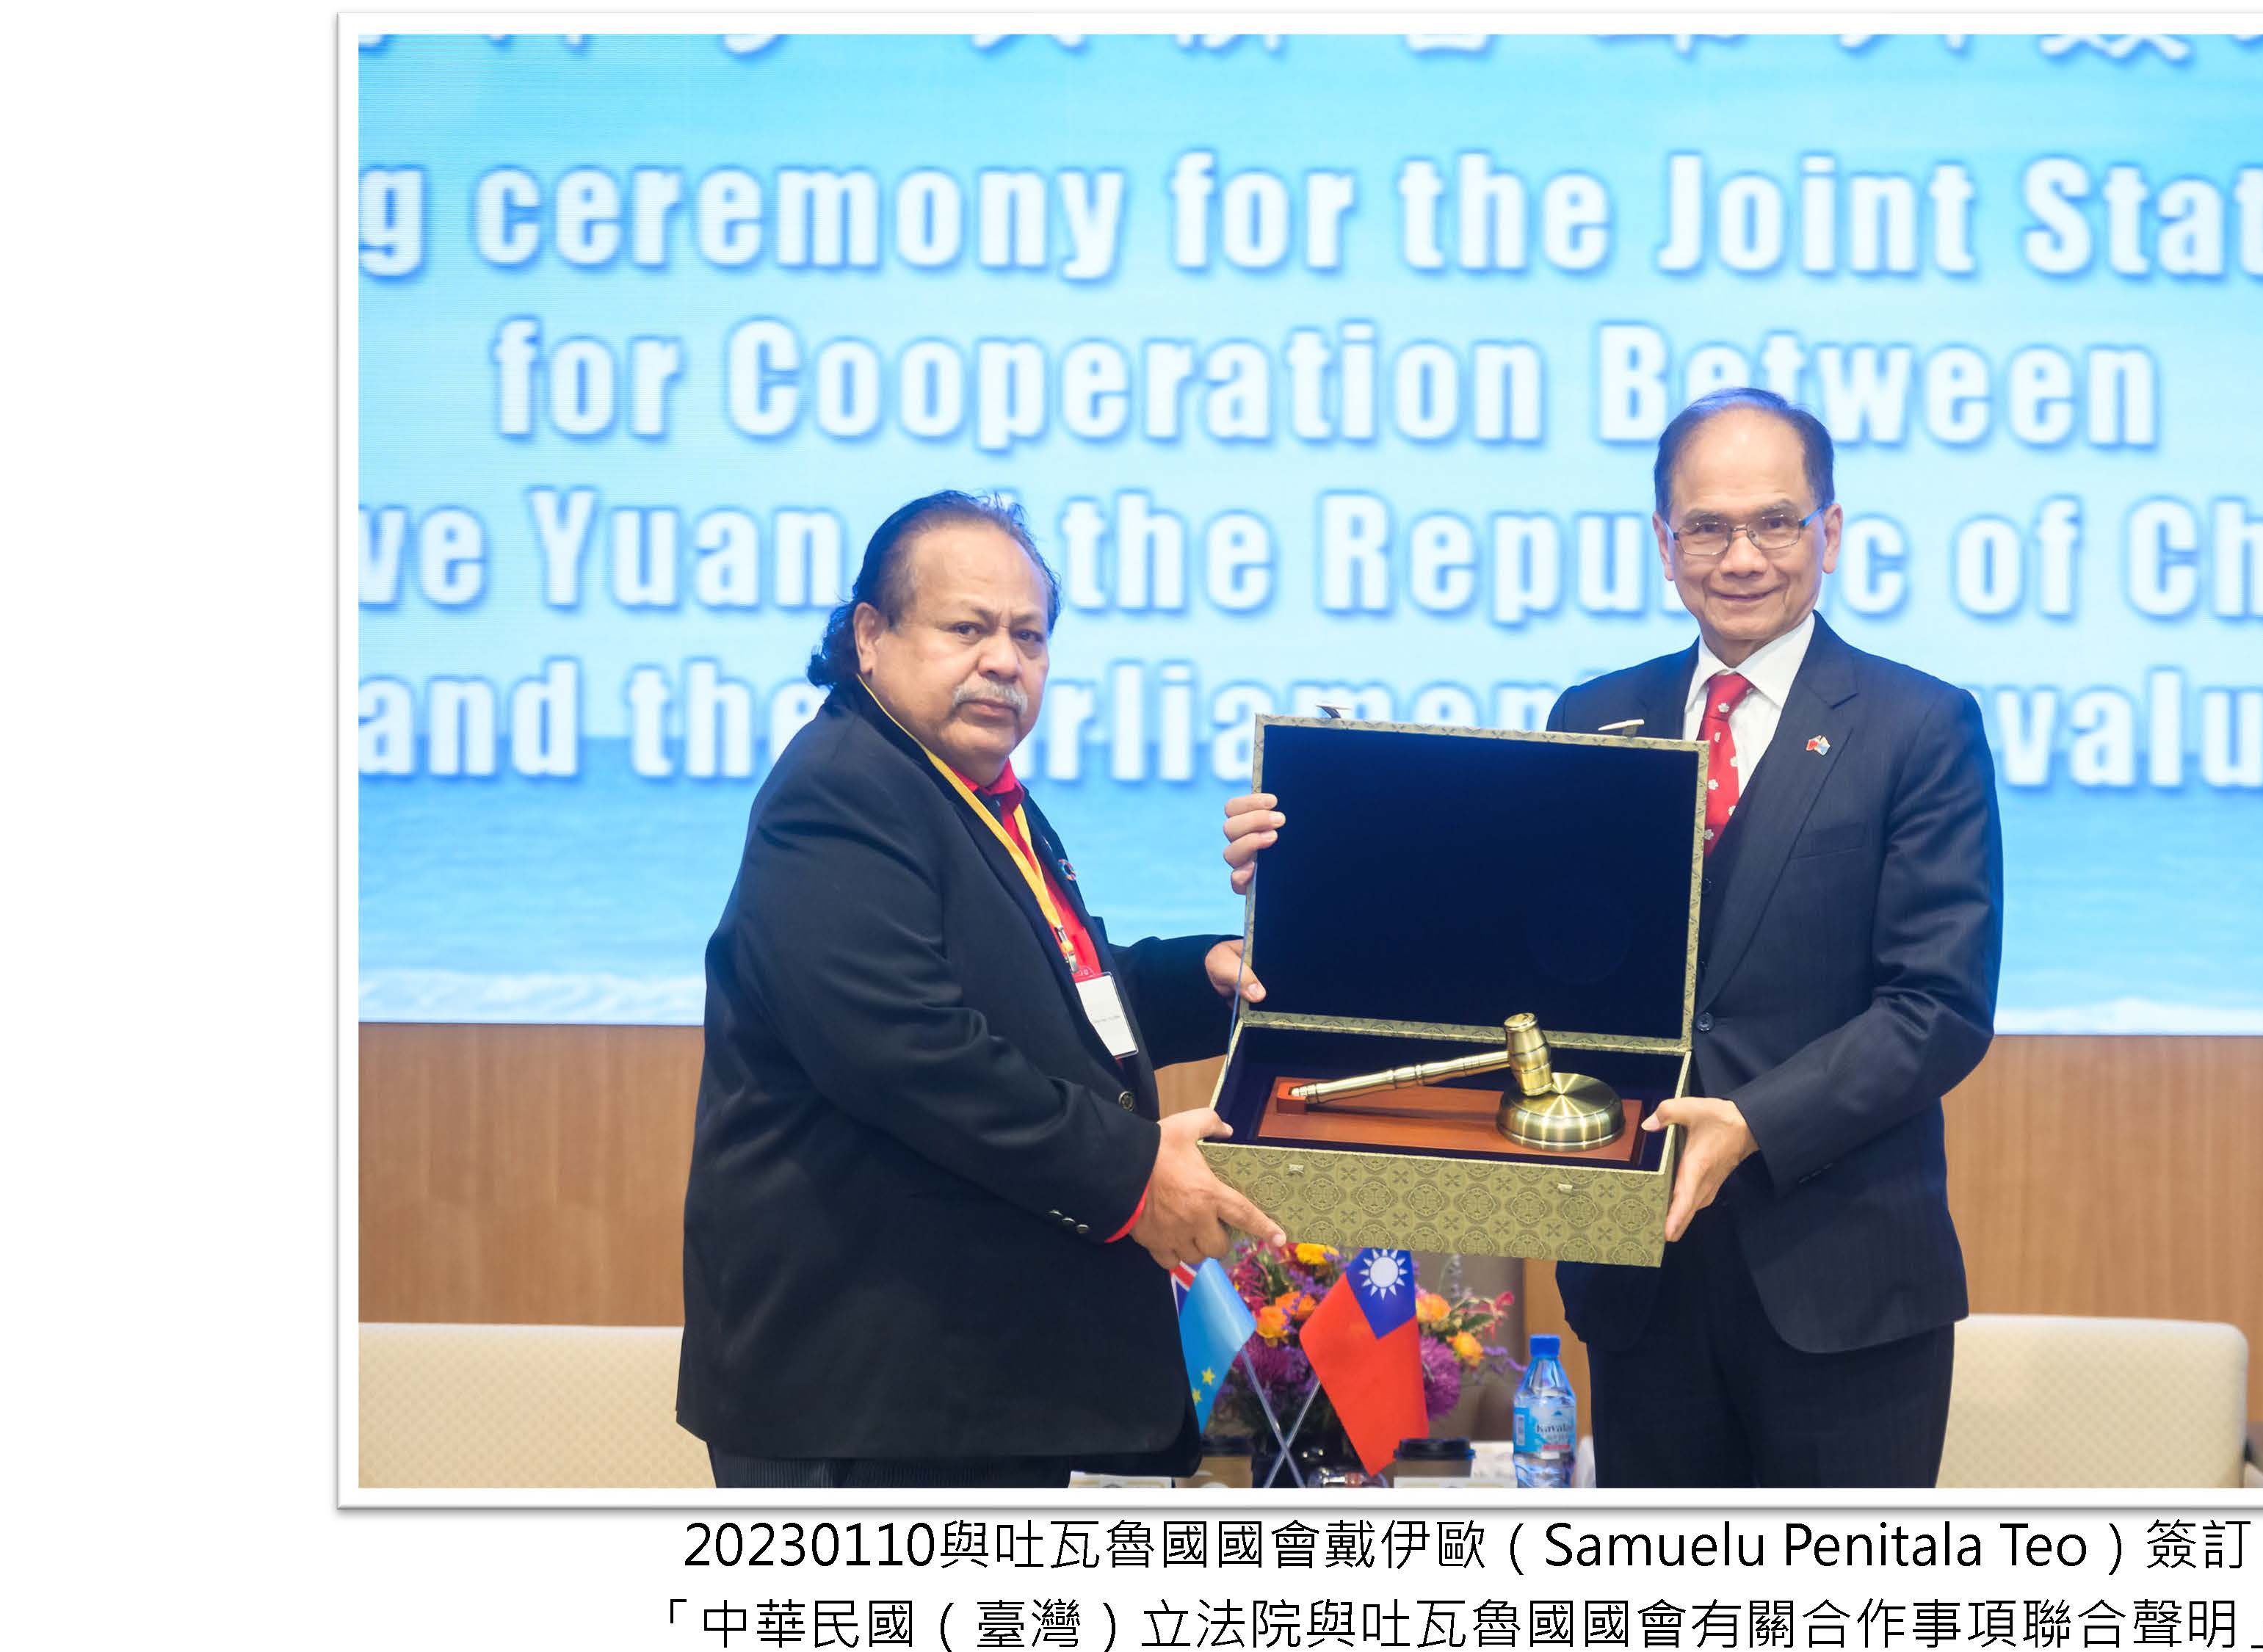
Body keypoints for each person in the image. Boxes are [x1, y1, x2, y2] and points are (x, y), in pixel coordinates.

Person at [1223, 388, 2001, 1486]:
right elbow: (1518, 965)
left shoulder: (1919, 725)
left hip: (1844, 1285)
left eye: (1775, 522)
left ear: (1829, 532)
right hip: (1641, 1283)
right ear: (1664, 545)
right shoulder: (1595, 717)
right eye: (1708, 527)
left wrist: (1753, 1122)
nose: (1742, 556)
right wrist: (1311, 874)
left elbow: (1939, 1006)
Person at [679, 490, 1284, 1490]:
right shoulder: (841, 788)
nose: (1006, 660)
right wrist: (1135, 1172)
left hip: (972, 1387)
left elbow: (1054, 997)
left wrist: (1202, 977)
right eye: (968, 628)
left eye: (1029, 636)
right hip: (872, 1398)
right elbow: (910, 1051)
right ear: (870, 637)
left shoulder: (969, 789)